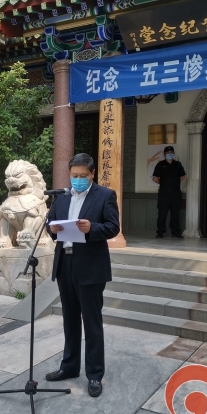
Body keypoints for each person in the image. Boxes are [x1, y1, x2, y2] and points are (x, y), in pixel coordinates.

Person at [45, 153, 120, 398]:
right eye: (74, 175)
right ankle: (69, 366)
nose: (77, 180)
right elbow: (50, 224)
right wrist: (52, 229)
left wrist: (91, 228)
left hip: (91, 267)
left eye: (83, 176)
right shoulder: (62, 196)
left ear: (92, 174)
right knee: (69, 319)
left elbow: (113, 227)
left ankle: (95, 374)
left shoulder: (105, 195)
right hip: (65, 263)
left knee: (91, 322)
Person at [152, 146, 186, 239]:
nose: (169, 154)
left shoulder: (177, 164)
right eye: (167, 153)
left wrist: (174, 182)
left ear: (174, 154)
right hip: (164, 193)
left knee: (175, 214)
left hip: (176, 193)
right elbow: (155, 178)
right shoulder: (160, 164)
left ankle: (175, 232)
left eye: (171, 152)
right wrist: (164, 183)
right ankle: (160, 232)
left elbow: (182, 176)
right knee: (162, 214)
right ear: (164, 154)